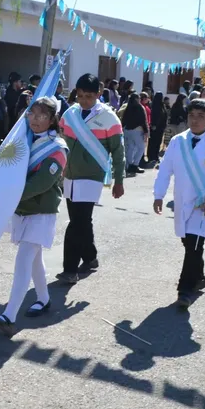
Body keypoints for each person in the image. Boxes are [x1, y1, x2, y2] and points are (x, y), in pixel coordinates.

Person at [0, 96, 68, 336]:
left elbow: (42, 183)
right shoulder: (23, 140)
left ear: (52, 120)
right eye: (32, 114)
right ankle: (43, 299)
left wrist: (8, 194)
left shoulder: (58, 148)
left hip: (41, 211)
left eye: (42, 115)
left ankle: (9, 315)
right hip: (22, 209)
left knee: (24, 259)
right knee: (33, 259)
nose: (35, 119)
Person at [153, 98, 205, 309]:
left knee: (194, 245)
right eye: (191, 115)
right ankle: (198, 277)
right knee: (189, 243)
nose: (195, 120)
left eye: (201, 116)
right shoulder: (177, 141)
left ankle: (185, 290)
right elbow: (165, 170)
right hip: (182, 201)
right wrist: (159, 194)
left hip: (204, 203)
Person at [57, 73, 125, 285]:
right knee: (81, 220)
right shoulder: (70, 114)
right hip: (69, 174)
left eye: (89, 96)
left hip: (92, 176)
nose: (84, 100)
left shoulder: (108, 117)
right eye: (80, 95)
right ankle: (90, 257)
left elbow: (118, 150)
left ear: (98, 94)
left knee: (76, 222)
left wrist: (119, 179)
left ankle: (69, 269)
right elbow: (60, 141)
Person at [121, 93, 148, 175]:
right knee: (141, 147)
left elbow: (123, 119)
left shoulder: (127, 107)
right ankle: (135, 165)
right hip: (137, 130)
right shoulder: (140, 107)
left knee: (130, 148)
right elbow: (143, 120)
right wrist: (146, 131)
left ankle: (129, 165)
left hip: (127, 130)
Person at [147, 92, 167, 165]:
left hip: (160, 128)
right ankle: (151, 157)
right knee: (153, 142)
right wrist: (153, 125)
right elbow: (153, 116)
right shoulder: (153, 105)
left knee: (158, 143)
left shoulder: (162, 105)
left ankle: (155, 156)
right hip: (154, 127)